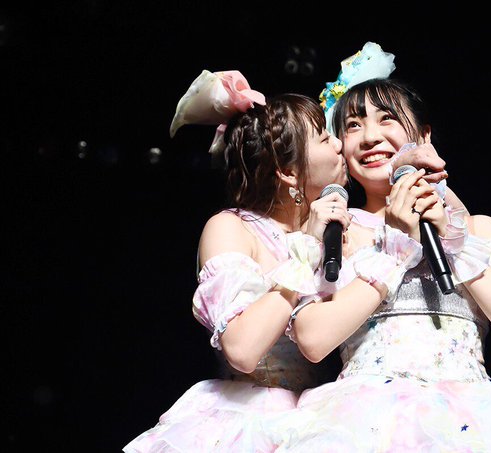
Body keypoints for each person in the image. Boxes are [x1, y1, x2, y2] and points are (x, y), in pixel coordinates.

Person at [264, 44, 491, 451]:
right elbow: (314, 341)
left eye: (386, 118)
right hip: (366, 421)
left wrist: (455, 243)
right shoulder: (336, 231)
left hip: (471, 419)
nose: (370, 137)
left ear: (424, 136)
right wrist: (393, 251)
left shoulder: (477, 229)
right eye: (352, 126)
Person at [123, 70, 352, 452]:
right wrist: (307, 249)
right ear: (288, 172)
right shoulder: (232, 228)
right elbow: (243, 349)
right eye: (325, 137)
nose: (340, 143)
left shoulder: (341, 228)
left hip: (324, 415)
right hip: (252, 418)